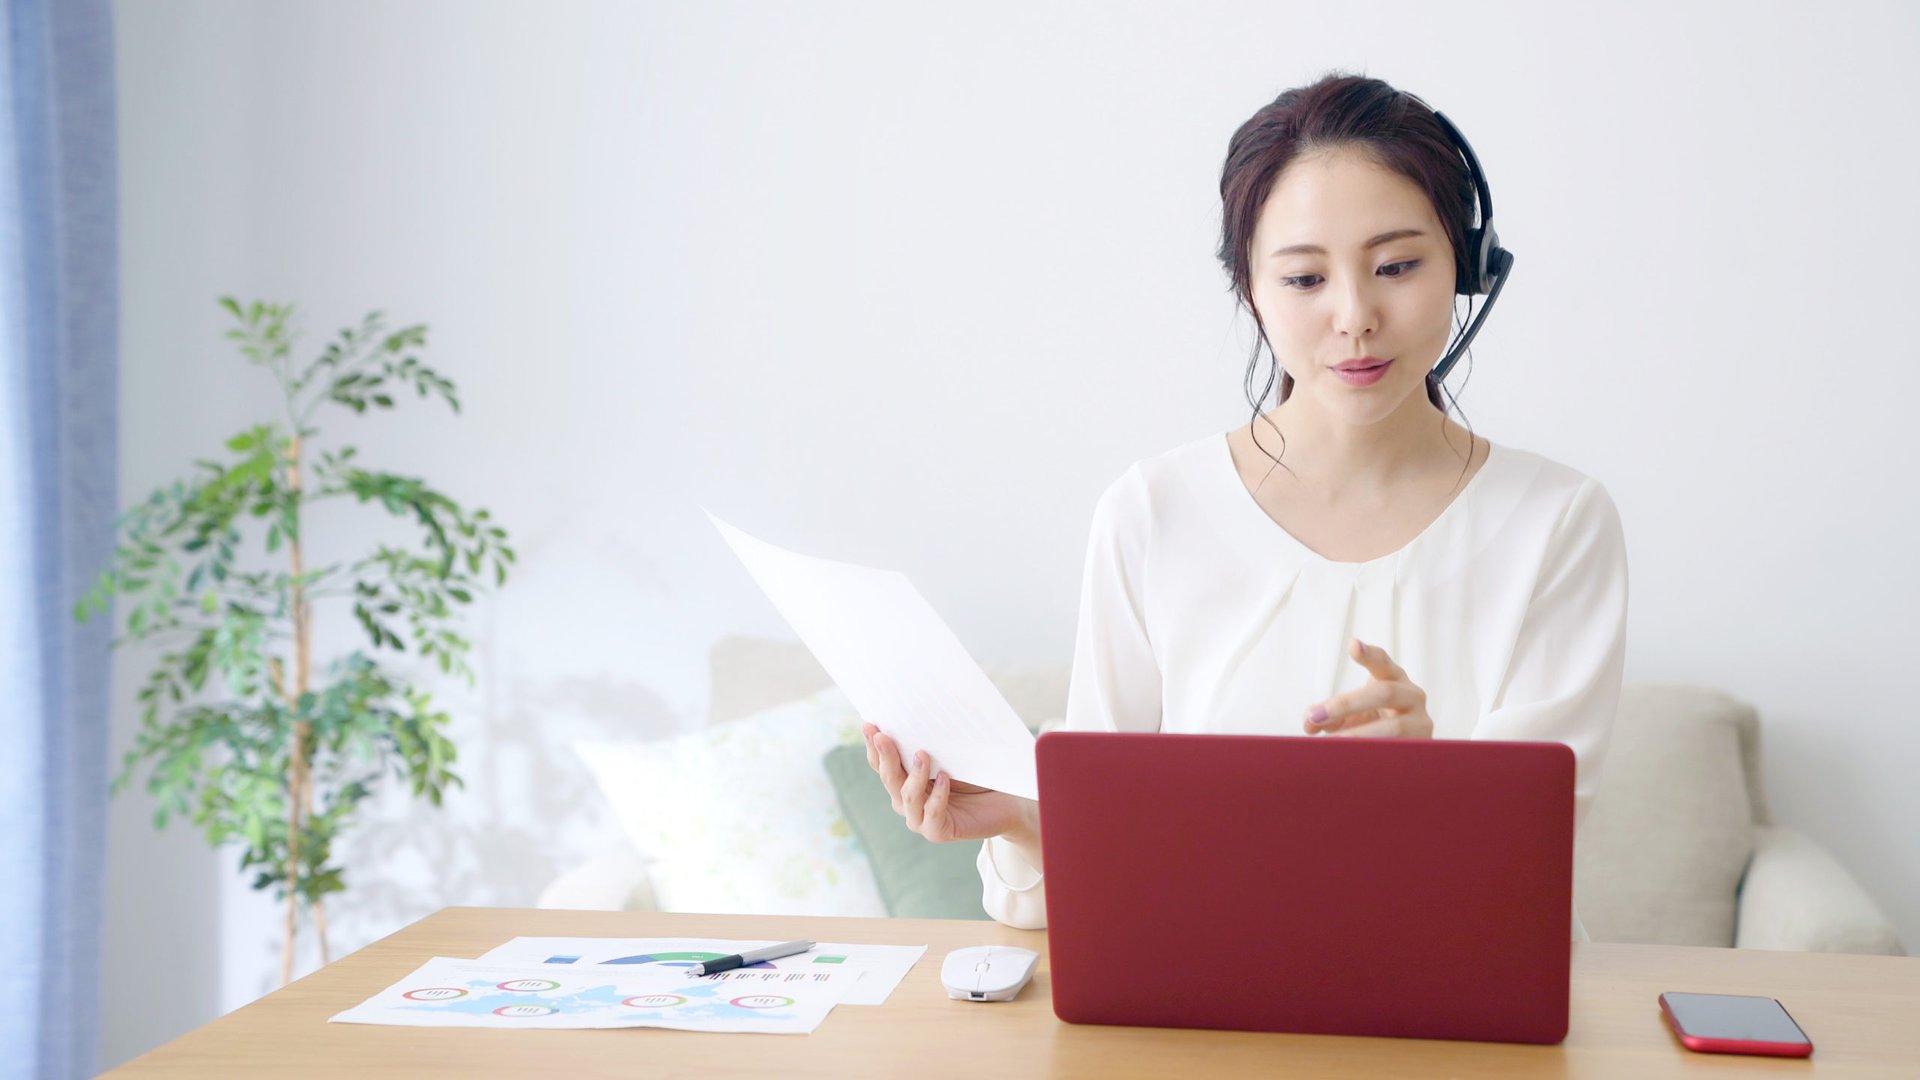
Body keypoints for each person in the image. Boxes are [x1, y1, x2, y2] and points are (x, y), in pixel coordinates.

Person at [862, 71, 1627, 937]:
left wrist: (1429, 784)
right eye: (1304, 280)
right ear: (1251, 291)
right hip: (1202, 1012)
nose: (1355, 316)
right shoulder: (1152, 513)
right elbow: (1103, 868)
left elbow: (1523, 879)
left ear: (1468, 267)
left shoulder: (1559, 523)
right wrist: (1022, 823)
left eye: (1399, 266)